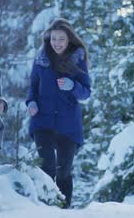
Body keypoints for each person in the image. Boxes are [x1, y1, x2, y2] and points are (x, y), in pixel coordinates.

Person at [25, 18, 91, 208]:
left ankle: (64, 209)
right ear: (49, 38)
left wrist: (73, 86)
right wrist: (31, 103)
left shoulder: (77, 60)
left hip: (68, 125)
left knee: (63, 171)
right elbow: (33, 88)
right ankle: (44, 208)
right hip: (42, 122)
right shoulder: (41, 60)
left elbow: (86, 92)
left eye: (61, 39)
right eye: (54, 38)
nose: (57, 43)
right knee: (46, 168)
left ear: (69, 39)